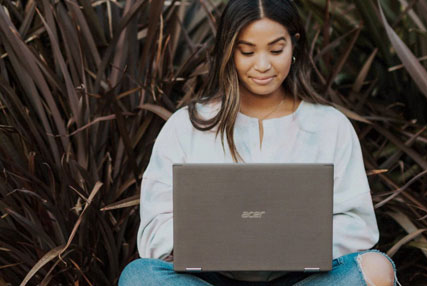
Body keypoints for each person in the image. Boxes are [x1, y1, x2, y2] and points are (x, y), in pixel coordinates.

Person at [119, 0, 402, 285]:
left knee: (375, 268)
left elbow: (359, 227)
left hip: (302, 279)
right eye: (247, 51)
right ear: (229, 52)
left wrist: (285, 241)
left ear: (294, 46)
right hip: (208, 279)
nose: (263, 65)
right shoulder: (186, 125)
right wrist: (229, 241)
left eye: (276, 49)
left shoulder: (330, 125)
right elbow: (155, 232)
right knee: (139, 276)